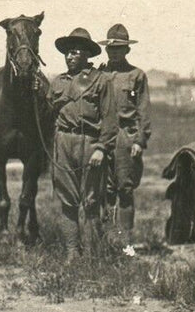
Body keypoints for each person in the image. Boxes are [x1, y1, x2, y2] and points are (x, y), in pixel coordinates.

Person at [47, 27, 117, 255]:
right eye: (67, 52)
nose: (70, 56)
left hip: (90, 144)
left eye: (75, 52)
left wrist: (102, 149)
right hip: (64, 142)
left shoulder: (101, 80)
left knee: (91, 200)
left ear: (87, 54)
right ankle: (71, 252)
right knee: (67, 200)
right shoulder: (57, 82)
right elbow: (48, 113)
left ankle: (91, 254)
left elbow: (110, 119)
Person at [98, 24, 151, 245]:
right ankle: (110, 240)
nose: (115, 52)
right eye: (111, 49)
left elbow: (144, 109)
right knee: (104, 190)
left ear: (127, 50)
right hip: (102, 136)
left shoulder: (136, 75)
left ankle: (126, 242)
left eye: (119, 48)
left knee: (125, 188)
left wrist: (140, 139)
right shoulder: (99, 75)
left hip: (125, 135)